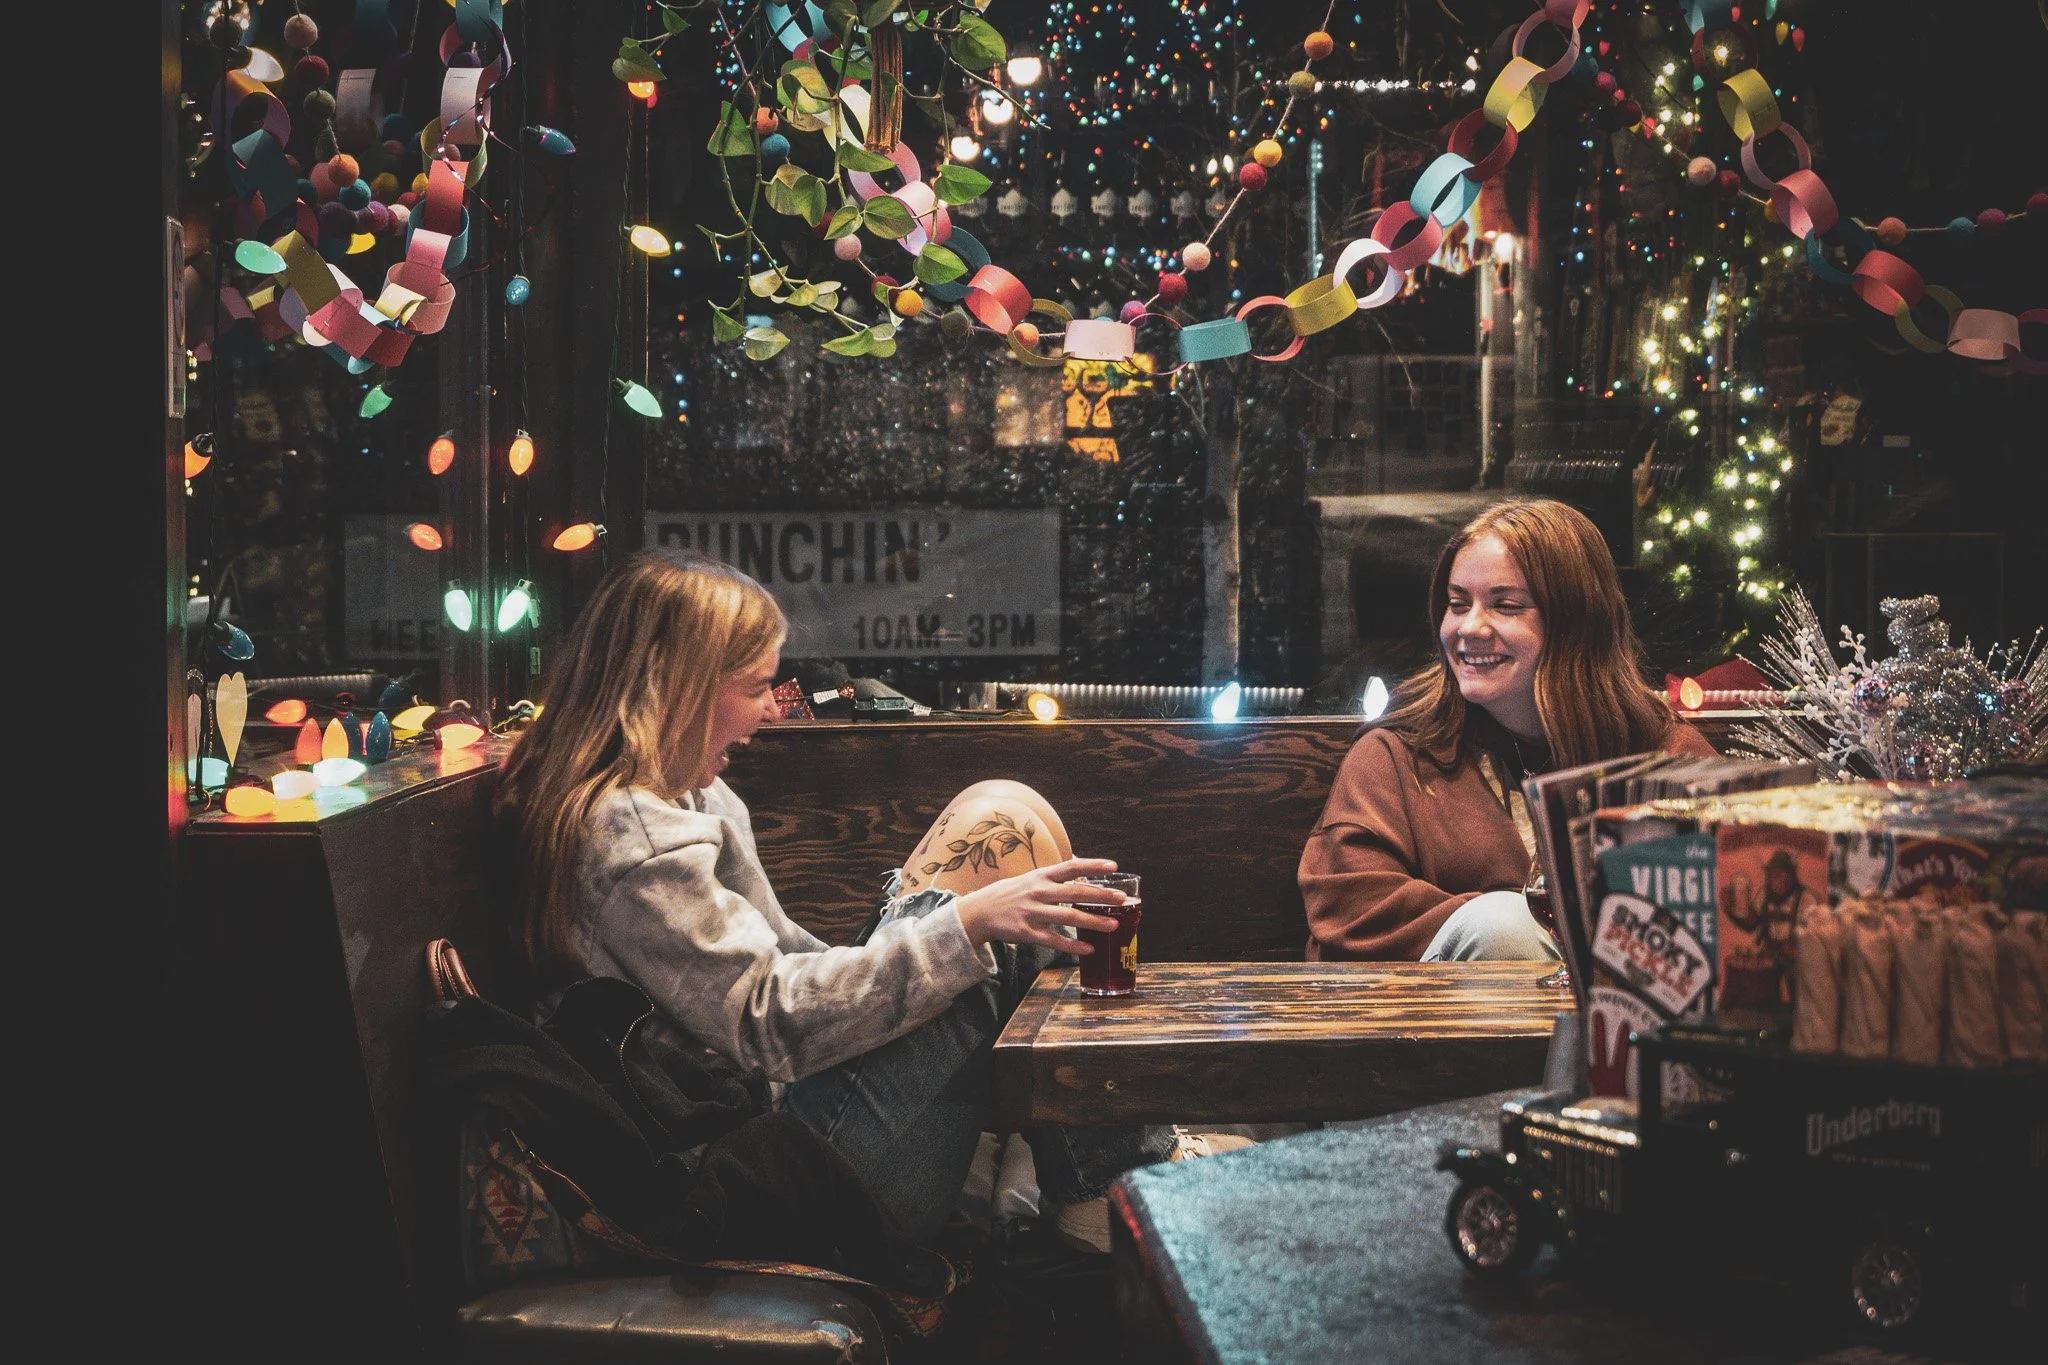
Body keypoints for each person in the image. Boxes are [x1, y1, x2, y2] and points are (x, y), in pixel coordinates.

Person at [492, 549, 1179, 1253]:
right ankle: (1118, 1185)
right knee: (997, 872)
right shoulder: (632, 837)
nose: (770, 708)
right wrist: (961, 924)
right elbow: (770, 1025)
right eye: (757, 685)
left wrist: (941, 924)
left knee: (1003, 831)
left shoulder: (691, 797)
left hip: (780, 1135)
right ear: (683, 688)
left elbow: (788, 960)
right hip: (775, 1189)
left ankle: (1108, 1183)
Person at [1299, 499, 1717, 962]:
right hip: (1434, 1024)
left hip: (1627, 1021)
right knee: (1502, 928)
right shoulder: (1400, 752)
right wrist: (1509, 927)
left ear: (1574, 622)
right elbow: (1346, 903)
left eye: (1506, 606)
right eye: (1458, 604)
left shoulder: (1662, 751)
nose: (1469, 627)